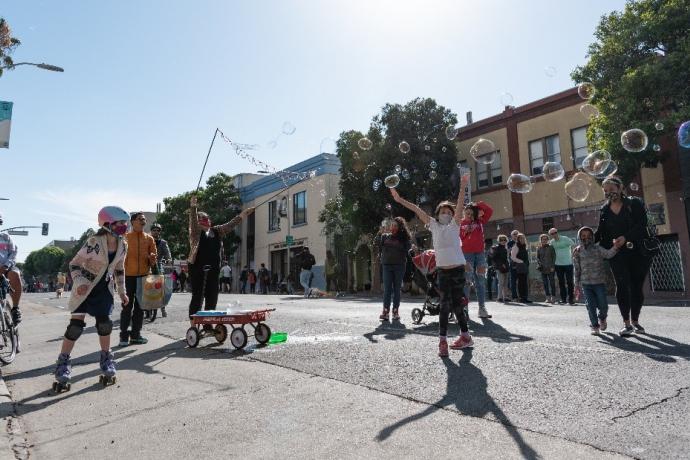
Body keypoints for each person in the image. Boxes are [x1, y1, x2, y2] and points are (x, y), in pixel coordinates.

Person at [391, 173, 474, 356]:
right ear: (437, 214)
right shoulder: (433, 225)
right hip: (442, 271)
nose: (446, 213)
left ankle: (465, 336)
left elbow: (460, 204)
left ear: (453, 215)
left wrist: (463, 185)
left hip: (458, 270)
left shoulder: (455, 224)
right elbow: (415, 208)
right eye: (442, 211)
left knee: (458, 305)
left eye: (448, 211)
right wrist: (398, 199)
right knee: (444, 305)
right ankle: (442, 341)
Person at [54, 206, 129, 388]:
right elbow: (74, 264)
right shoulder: (94, 241)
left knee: (105, 325)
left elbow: (119, 268)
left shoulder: (123, 245)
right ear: (107, 224)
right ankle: (63, 364)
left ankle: (107, 360)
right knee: (75, 327)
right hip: (85, 289)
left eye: (125, 224)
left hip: (104, 289)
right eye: (120, 224)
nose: (124, 227)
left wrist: (122, 291)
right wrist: (79, 283)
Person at [595, 176, 653, 336]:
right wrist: (585, 242)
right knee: (621, 285)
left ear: (620, 188)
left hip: (637, 252)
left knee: (636, 286)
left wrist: (625, 237)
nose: (608, 193)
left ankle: (635, 321)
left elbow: (642, 225)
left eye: (611, 189)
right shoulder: (604, 210)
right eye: (605, 191)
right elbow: (600, 233)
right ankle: (626, 324)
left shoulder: (634, 204)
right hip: (616, 253)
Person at [187, 196, 254, 326]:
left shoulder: (217, 231)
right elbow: (193, 223)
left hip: (213, 268)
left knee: (212, 296)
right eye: (200, 218)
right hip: (197, 267)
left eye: (205, 218)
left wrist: (243, 214)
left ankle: (208, 324)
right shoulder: (195, 233)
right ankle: (193, 325)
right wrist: (193, 207)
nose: (204, 220)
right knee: (198, 297)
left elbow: (230, 224)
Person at [120, 212, 157, 346]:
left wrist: (152, 258)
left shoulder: (149, 239)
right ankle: (123, 336)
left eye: (145, 219)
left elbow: (154, 261)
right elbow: (119, 258)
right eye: (141, 219)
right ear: (133, 221)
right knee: (126, 306)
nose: (144, 221)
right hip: (127, 276)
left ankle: (136, 335)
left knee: (140, 308)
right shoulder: (124, 237)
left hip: (143, 277)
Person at [573, 226, 619, 334]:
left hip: (599, 283)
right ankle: (594, 326)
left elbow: (608, 254)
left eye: (588, 235)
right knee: (590, 305)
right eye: (583, 236)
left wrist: (616, 247)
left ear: (592, 237)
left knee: (603, 305)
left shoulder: (598, 249)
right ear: (579, 237)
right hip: (586, 284)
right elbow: (576, 269)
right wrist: (576, 285)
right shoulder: (577, 251)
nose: (586, 237)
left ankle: (602, 318)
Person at [459, 201, 493, 318]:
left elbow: (489, 211)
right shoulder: (460, 223)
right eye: (466, 213)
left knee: (481, 281)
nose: (469, 215)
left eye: (471, 213)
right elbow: (458, 239)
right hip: (466, 254)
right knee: (467, 281)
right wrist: (465, 232)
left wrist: (478, 204)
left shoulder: (480, 221)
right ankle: (464, 308)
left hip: (480, 254)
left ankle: (482, 308)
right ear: (464, 213)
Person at [375, 216, 412, 321]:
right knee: (387, 289)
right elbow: (376, 243)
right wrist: (379, 233)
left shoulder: (404, 239)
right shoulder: (384, 237)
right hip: (386, 266)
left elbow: (408, 251)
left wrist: (413, 250)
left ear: (400, 227)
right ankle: (385, 311)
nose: (393, 227)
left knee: (397, 289)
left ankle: (395, 311)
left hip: (399, 266)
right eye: (392, 225)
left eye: (395, 225)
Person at [0, 214, 23, 324]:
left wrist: (5, 266)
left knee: (15, 274)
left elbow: (13, 253)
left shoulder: (6, 237)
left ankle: (15, 309)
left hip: (7, 268)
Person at [148, 222, 172, 319]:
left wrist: (169, 259)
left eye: (158, 230)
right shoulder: (147, 240)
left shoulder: (163, 242)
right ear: (151, 231)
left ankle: (163, 308)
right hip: (146, 265)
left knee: (161, 288)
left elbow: (167, 253)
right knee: (142, 285)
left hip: (158, 265)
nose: (156, 232)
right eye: (154, 230)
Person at [549, 227, 576, 305]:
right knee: (561, 282)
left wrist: (573, 256)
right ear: (550, 235)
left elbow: (574, 245)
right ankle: (563, 299)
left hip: (568, 264)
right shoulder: (552, 242)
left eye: (555, 232)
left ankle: (571, 299)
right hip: (558, 265)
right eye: (552, 233)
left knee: (570, 282)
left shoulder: (565, 239)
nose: (554, 234)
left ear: (557, 232)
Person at [510, 233, 531, 303]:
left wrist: (526, 263)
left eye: (523, 238)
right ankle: (522, 298)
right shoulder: (516, 246)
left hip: (525, 265)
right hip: (519, 266)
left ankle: (525, 297)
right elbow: (512, 257)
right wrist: (521, 261)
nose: (522, 239)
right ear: (518, 239)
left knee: (525, 282)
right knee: (521, 282)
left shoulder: (524, 246)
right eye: (520, 238)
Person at [537, 234, 557, 303]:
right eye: (543, 239)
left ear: (548, 240)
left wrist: (552, 267)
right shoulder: (539, 248)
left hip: (550, 268)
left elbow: (554, 257)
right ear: (541, 240)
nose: (544, 240)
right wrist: (539, 264)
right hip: (543, 269)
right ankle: (547, 298)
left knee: (552, 283)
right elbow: (538, 258)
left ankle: (553, 297)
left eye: (546, 239)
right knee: (545, 283)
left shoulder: (551, 247)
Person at [490, 235, 510, 302]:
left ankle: (505, 297)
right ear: (499, 240)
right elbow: (493, 258)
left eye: (504, 240)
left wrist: (506, 265)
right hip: (499, 267)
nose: (503, 241)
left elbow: (506, 258)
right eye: (501, 240)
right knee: (501, 282)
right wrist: (501, 264)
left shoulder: (505, 248)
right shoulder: (496, 248)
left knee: (506, 282)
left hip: (506, 267)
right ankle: (499, 297)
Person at [507, 229, 520, 301]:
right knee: (513, 281)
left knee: (521, 280)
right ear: (512, 236)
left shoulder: (521, 242)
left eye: (517, 234)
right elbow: (509, 252)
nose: (516, 235)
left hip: (520, 263)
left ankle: (522, 296)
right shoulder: (509, 243)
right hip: (513, 264)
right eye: (514, 234)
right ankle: (514, 297)